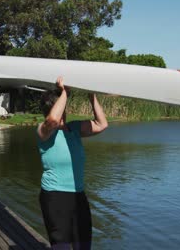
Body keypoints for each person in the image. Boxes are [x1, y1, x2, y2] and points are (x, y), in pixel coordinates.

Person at [37, 76, 108, 250]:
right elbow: (52, 121)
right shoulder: (43, 131)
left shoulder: (74, 129)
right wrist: (65, 92)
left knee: (83, 245)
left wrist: (92, 97)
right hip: (55, 196)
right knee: (61, 247)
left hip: (78, 195)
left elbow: (102, 124)